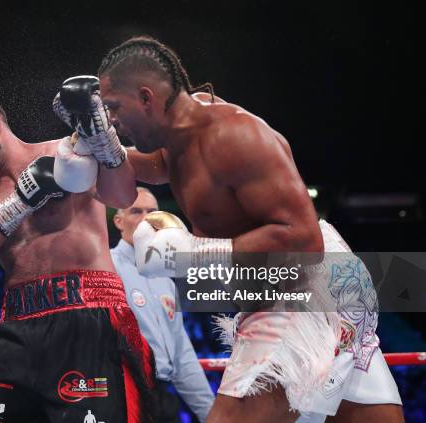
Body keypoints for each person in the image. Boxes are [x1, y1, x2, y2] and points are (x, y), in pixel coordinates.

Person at [87, 36, 403, 422]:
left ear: (147, 97)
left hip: (301, 287)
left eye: (114, 108)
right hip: (316, 289)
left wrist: (193, 252)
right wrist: (95, 143)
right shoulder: (177, 142)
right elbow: (128, 176)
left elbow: (305, 239)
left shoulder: (235, 136)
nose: (113, 120)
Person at [0, 93, 156, 423]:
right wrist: (21, 201)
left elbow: (122, 195)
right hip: (16, 329)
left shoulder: (64, 152)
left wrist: (103, 139)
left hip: (88, 317)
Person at [111, 187, 215, 422]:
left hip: (163, 395)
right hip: (122, 392)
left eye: (152, 213)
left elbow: (181, 353)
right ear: (119, 221)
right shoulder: (107, 268)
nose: (146, 220)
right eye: (136, 212)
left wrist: (212, 415)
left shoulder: (165, 281)